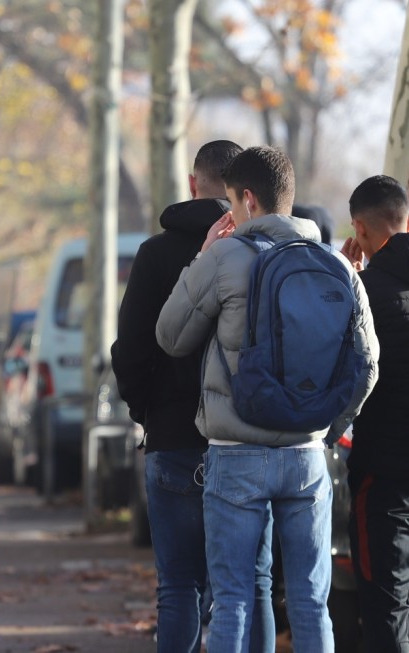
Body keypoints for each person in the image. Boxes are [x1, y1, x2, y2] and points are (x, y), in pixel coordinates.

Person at [155, 146, 379, 653]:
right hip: (306, 457)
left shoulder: (225, 258)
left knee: (233, 599)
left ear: (248, 200)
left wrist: (203, 255)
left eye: (232, 204)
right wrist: (324, 425)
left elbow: (170, 336)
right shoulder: (335, 265)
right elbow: (367, 365)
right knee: (311, 603)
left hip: (236, 455)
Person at [112, 139, 266, 652]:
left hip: (173, 436)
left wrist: (147, 411)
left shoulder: (155, 254)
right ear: (245, 190)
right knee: (247, 586)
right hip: (246, 442)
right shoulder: (261, 252)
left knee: (178, 585)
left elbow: (131, 349)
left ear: (192, 183)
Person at [339, 174, 409, 653]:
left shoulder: (363, 293)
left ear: (359, 228)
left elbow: (340, 370)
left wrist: (347, 279)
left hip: (383, 481)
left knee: (386, 608)